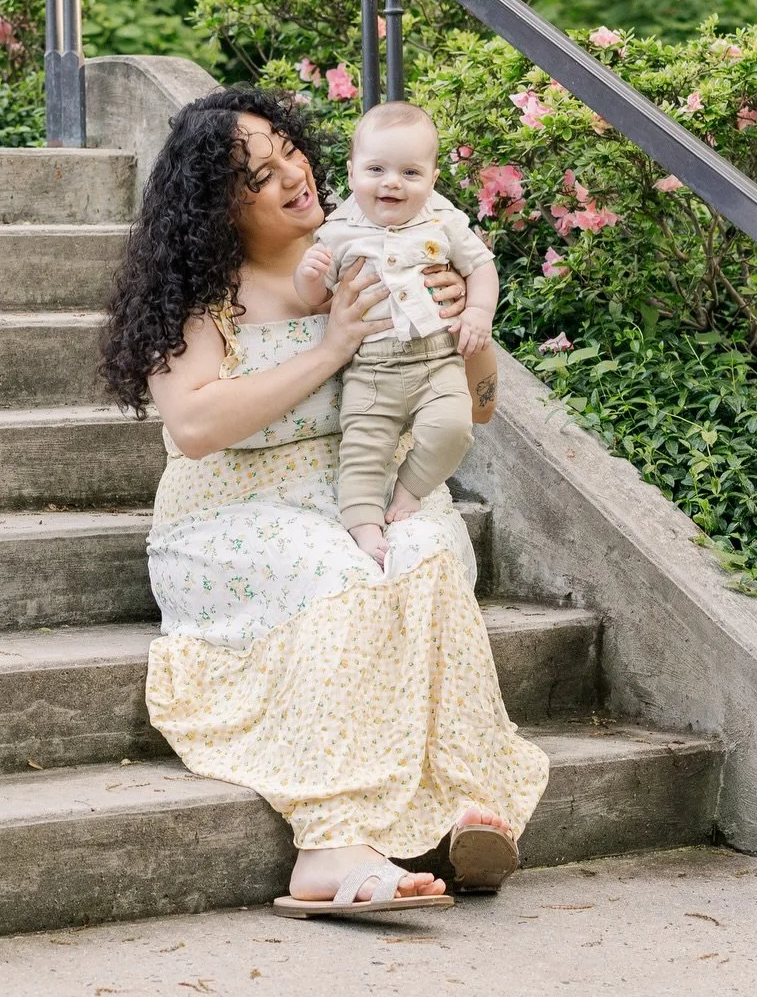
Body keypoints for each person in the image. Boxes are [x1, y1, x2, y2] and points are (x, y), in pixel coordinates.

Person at [101, 86, 548, 916]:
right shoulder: (199, 294)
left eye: (289, 150)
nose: (294, 176)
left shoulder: (380, 245)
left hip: (365, 484)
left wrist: (465, 331)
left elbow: (476, 405)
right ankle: (328, 846)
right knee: (337, 573)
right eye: (260, 174)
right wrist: (335, 343)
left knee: (423, 557)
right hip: (233, 510)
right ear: (216, 209)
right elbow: (196, 425)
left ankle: (454, 813)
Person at [293, 100, 498, 564]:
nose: (391, 182)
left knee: (453, 427)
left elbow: (481, 266)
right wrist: (308, 273)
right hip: (371, 368)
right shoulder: (338, 231)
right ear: (351, 174)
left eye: (410, 172)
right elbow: (313, 297)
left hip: (437, 359)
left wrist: (478, 311)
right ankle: (365, 525)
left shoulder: (442, 220)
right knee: (362, 450)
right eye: (377, 169)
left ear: (432, 178)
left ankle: (410, 489)